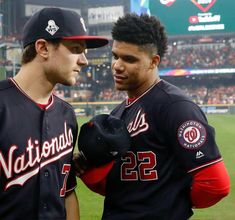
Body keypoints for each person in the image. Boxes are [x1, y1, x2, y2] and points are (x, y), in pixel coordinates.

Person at [77, 13, 230, 219]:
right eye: (115, 56)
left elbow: (215, 184)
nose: (117, 65)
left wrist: (172, 204)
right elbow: (118, 188)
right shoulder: (119, 112)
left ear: (153, 61)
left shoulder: (175, 107)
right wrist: (86, 169)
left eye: (129, 59)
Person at [0, 7, 108, 220]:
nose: (84, 60)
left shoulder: (66, 115)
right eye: (76, 49)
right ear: (43, 48)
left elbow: (67, 192)